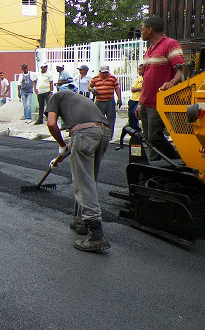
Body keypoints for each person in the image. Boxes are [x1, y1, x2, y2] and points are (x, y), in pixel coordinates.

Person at [45, 90, 112, 252]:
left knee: (83, 183)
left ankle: (96, 234)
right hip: (104, 133)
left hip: (84, 134)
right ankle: (80, 221)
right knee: (89, 179)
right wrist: (59, 158)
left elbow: (51, 124)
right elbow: (77, 140)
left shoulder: (54, 97)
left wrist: (61, 145)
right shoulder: (78, 101)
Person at [136, 16, 184, 160]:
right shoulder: (149, 49)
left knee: (154, 137)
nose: (141, 32)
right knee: (148, 138)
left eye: (142, 29)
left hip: (159, 102)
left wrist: (172, 83)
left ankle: (175, 160)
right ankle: (155, 165)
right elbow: (146, 79)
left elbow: (181, 71)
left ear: (150, 30)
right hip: (145, 102)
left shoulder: (170, 44)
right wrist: (140, 103)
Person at [89, 65, 122, 137]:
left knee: (111, 118)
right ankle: (100, 134)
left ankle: (109, 135)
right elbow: (90, 87)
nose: (105, 74)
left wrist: (119, 99)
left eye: (106, 73)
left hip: (109, 101)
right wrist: (92, 90)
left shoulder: (112, 78)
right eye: (103, 73)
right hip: (99, 101)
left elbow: (117, 88)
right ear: (100, 72)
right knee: (99, 119)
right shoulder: (95, 79)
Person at [120, 64, 144, 144]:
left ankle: (137, 130)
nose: (138, 71)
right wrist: (138, 88)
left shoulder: (147, 79)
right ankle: (132, 130)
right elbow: (133, 89)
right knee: (131, 115)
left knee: (135, 114)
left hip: (140, 100)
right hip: (133, 99)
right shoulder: (138, 79)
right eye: (138, 70)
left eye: (140, 70)